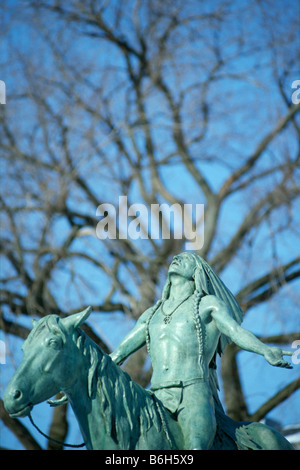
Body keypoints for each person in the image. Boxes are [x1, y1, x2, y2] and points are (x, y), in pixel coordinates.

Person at [110, 252, 292, 450]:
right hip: (156, 396)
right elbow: (118, 354)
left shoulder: (207, 305)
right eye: (175, 258)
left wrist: (264, 350)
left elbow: (235, 331)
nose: (176, 259)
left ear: (197, 272)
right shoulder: (152, 314)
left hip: (193, 393)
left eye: (186, 259)